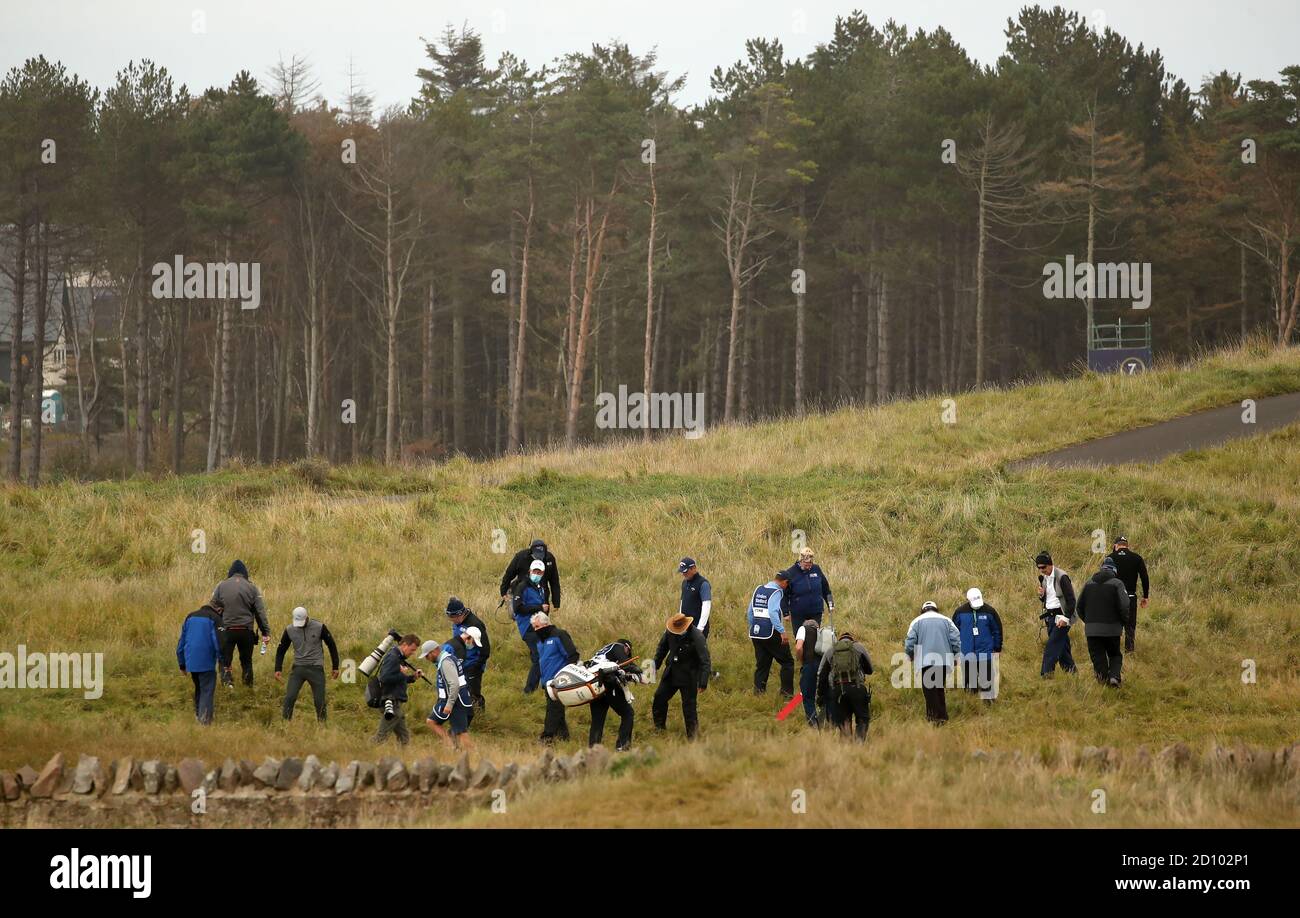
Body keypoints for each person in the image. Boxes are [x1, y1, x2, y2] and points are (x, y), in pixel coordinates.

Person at [211, 559, 271, 688]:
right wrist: (265, 632)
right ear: (245, 573)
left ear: (230, 573)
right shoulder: (252, 587)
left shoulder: (221, 586)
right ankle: (247, 687)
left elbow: (213, 607)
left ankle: (228, 685)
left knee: (225, 661)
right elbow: (260, 613)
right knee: (246, 662)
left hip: (227, 630)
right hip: (246, 631)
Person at [274, 606, 340, 722]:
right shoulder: (289, 629)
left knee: (319, 700)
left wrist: (335, 666)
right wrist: (277, 669)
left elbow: (331, 645)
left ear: (307, 617)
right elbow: (281, 649)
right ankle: (285, 724)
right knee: (290, 697)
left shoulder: (319, 627)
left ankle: (322, 726)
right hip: (298, 668)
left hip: (316, 668)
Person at [652, 612, 711, 739]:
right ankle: (659, 728)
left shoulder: (697, 637)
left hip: (689, 677)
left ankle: (692, 737)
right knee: (659, 698)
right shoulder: (670, 631)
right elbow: (661, 649)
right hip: (671, 673)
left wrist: (703, 682)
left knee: (689, 707)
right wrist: (654, 667)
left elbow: (705, 660)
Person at [904, 600, 961, 724]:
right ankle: (943, 716)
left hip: (926, 661)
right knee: (939, 688)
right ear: (936, 609)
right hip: (943, 660)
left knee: (929, 690)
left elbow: (910, 641)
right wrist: (956, 656)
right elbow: (955, 639)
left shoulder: (916, 621)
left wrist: (910, 655)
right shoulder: (947, 620)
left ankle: (933, 718)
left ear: (923, 610)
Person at [1077, 559, 1132, 687]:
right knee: (1114, 655)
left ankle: (1102, 682)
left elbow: (1079, 607)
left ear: (1101, 569)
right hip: (1112, 629)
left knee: (1097, 656)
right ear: (1114, 571)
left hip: (1092, 630)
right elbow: (1125, 605)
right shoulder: (1118, 584)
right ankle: (1114, 677)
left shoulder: (1088, 583)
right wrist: (1123, 621)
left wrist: (1089, 622)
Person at [586, 638, 645, 751]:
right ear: (626, 647)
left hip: (595, 686)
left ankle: (593, 750)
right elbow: (626, 664)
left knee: (597, 720)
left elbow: (619, 669)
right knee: (628, 713)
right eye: (628, 652)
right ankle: (622, 747)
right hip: (608, 684)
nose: (627, 654)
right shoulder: (617, 646)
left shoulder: (602, 652)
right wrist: (641, 673)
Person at [815, 631, 873, 740]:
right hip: (857, 688)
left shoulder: (830, 650)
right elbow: (870, 670)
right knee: (862, 719)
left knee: (844, 722)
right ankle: (859, 744)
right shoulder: (858, 647)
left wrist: (821, 696)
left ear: (839, 639)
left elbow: (821, 675)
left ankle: (847, 749)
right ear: (852, 639)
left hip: (838, 690)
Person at [420, 640, 475, 750]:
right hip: (456, 699)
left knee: (461, 732)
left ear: (434, 651)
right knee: (432, 721)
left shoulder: (445, 662)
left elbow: (454, 685)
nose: (427, 659)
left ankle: (473, 754)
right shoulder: (447, 659)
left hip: (456, 701)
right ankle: (451, 746)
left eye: (427, 655)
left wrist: (449, 704)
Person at [533, 613, 579, 743]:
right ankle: (564, 738)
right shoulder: (540, 641)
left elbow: (572, 655)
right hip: (546, 682)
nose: (535, 630)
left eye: (537, 626)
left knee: (553, 709)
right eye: (534, 627)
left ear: (545, 624)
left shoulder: (559, 635)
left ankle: (547, 737)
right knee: (557, 709)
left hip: (559, 682)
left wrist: (565, 677)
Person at [176, 599, 223, 725]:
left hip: (191, 662)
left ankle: (198, 716)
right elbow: (217, 643)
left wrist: (182, 663)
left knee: (199, 689)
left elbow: (182, 642)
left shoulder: (190, 616)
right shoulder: (215, 618)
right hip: (206, 661)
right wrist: (224, 661)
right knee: (207, 691)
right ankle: (205, 723)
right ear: (219, 609)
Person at [951, 587, 1003, 703]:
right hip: (967, 652)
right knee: (969, 681)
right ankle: (971, 702)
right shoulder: (960, 612)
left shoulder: (990, 611)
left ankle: (989, 702)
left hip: (985, 652)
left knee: (987, 678)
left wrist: (997, 648)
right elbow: (953, 632)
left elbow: (997, 630)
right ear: (968, 600)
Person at [748, 570, 794, 697]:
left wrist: (754, 625)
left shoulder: (759, 589)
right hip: (771, 632)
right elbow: (773, 613)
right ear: (784, 582)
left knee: (762, 664)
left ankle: (758, 693)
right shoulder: (777, 592)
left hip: (756, 633)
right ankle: (786, 694)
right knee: (787, 662)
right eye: (787, 584)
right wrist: (782, 631)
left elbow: (750, 612)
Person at [510, 559, 553, 693]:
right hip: (528, 627)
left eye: (539, 572)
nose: (537, 574)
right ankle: (529, 690)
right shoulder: (522, 586)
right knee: (539, 657)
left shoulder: (541, 587)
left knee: (544, 654)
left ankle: (544, 685)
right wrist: (539, 607)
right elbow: (518, 608)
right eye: (535, 571)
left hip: (540, 626)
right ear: (530, 571)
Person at [371, 633, 421, 746]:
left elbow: (397, 679)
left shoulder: (398, 657)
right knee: (380, 737)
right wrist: (402, 674)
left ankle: (404, 759)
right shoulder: (393, 657)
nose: (412, 653)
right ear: (404, 645)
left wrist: (412, 677)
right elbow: (385, 678)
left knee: (404, 738)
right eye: (412, 650)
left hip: (395, 703)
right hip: (390, 703)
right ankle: (364, 752)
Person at [1036, 551, 1078, 677]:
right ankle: (1071, 672)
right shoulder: (1044, 578)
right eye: (1039, 568)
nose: (1041, 570)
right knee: (1062, 647)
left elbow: (1071, 600)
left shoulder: (1062, 577)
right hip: (1050, 616)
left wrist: (1066, 618)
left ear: (1050, 564)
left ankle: (1046, 673)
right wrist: (1042, 595)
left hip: (1061, 616)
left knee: (1052, 645)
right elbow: (1048, 600)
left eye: (1043, 567)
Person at [445, 597, 490, 711]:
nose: (452, 621)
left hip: (473, 664)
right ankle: (466, 712)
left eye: (453, 618)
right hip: (461, 663)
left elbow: (485, 649)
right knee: (462, 691)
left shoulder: (475, 624)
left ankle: (479, 715)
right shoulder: (457, 622)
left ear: (460, 614)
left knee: (473, 693)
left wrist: (477, 666)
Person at [1106, 536, 1149, 653]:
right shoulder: (1137, 558)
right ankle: (1129, 651)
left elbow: (1104, 577)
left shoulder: (1110, 558)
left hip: (1114, 597)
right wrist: (1145, 596)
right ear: (1127, 545)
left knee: (1114, 624)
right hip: (1130, 596)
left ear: (1116, 546)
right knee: (1130, 627)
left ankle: (1113, 650)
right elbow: (1144, 577)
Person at [499, 538, 561, 610]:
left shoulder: (549, 558)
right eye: (537, 555)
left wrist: (556, 602)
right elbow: (509, 574)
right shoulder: (521, 557)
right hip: (522, 593)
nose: (539, 558)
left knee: (541, 618)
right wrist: (503, 592)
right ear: (531, 552)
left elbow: (554, 582)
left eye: (541, 555)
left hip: (542, 593)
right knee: (522, 614)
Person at [783, 547, 834, 633]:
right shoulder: (791, 573)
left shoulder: (816, 569)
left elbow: (825, 588)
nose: (808, 566)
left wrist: (830, 603)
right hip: (798, 613)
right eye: (806, 564)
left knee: (814, 637)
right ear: (800, 561)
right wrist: (785, 612)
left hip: (816, 611)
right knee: (800, 638)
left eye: (810, 564)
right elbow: (784, 594)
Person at [793, 617, 825, 726]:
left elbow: (798, 647)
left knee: (807, 696)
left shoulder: (803, 629)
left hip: (810, 665)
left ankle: (814, 724)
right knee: (824, 695)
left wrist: (800, 660)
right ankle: (825, 722)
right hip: (825, 667)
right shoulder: (822, 633)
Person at [678, 557, 713, 638]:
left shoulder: (703, 584)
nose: (683, 574)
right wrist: (680, 621)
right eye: (682, 572)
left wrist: (700, 628)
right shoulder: (684, 583)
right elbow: (682, 603)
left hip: (697, 626)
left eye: (686, 571)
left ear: (693, 569)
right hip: (685, 626)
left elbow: (706, 606)